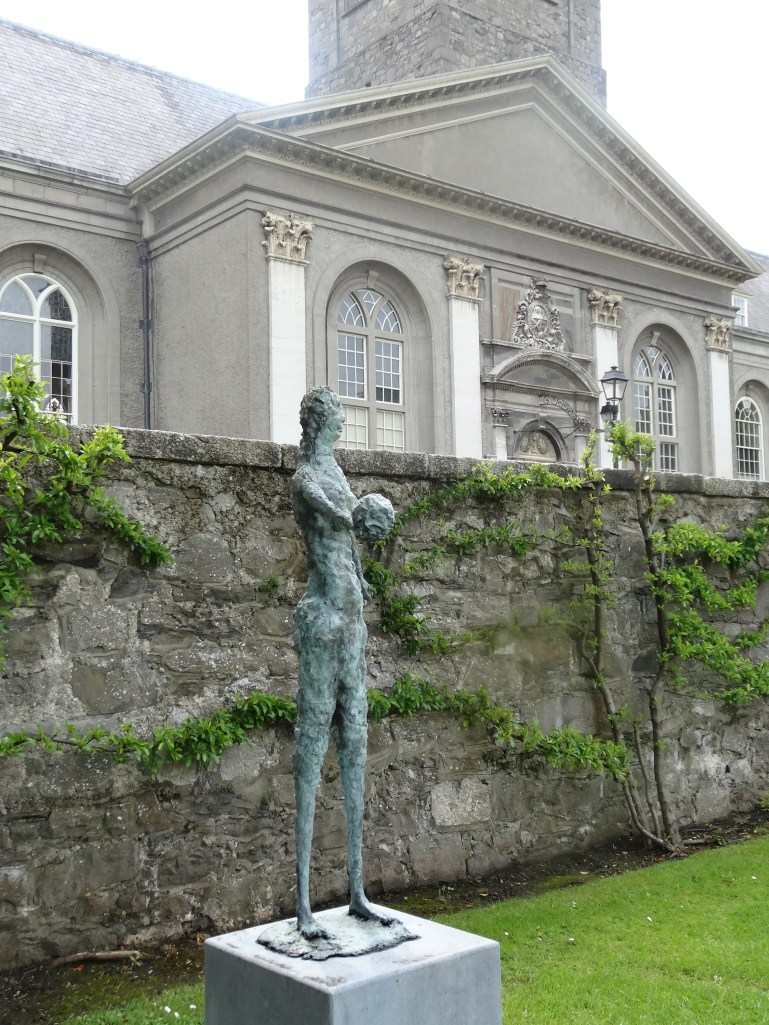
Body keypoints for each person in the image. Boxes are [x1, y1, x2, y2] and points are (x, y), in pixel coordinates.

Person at [291, 386, 394, 941]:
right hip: (323, 620)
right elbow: (325, 509)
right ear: (317, 424)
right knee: (311, 749)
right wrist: (356, 514)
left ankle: (356, 891)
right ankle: (304, 904)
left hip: (352, 621)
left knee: (355, 741)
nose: (341, 424)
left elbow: (346, 542)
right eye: (334, 418)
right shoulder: (307, 474)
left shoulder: (335, 467)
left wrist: (360, 575)